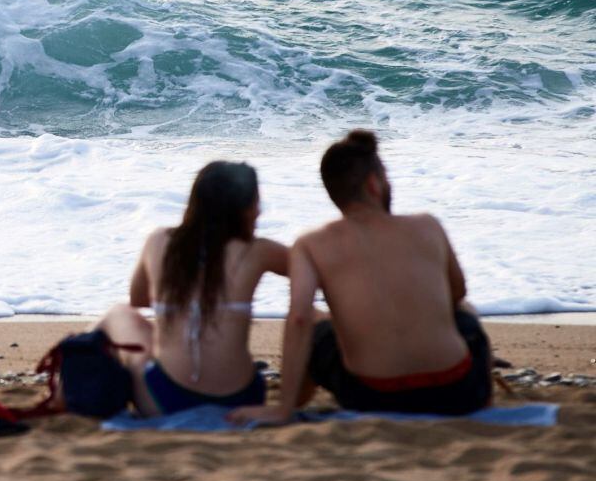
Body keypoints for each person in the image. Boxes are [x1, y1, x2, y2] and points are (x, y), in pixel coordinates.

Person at [229, 130, 493, 425]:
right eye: (386, 176)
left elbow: (300, 318)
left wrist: (282, 409)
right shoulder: (428, 225)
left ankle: (290, 405)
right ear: (373, 184)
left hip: (371, 395)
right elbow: (457, 294)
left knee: (315, 322)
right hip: (458, 392)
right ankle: (487, 399)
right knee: (466, 311)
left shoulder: (311, 244)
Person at [95, 161, 289, 416]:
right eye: (255, 203)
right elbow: (317, 272)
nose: (259, 212)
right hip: (242, 399)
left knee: (118, 314)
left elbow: (138, 299)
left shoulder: (159, 241)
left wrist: (178, 307)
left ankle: (66, 396)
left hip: (167, 401)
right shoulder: (258, 251)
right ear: (241, 209)